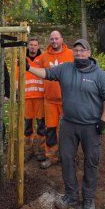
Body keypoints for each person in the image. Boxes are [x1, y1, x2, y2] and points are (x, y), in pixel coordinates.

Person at [27, 38, 105, 209]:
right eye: (76, 50)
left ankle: (88, 198)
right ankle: (71, 195)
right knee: (67, 159)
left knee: (91, 161)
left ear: (89, 53)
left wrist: (103, 120)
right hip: (68, 124)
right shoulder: (66, 68)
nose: (79, 53)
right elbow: (46, 73)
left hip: (91, 126)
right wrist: (28, 67)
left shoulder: (99, 74)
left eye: (82, 50)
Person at [39, 30, 73, 169]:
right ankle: (51, 157)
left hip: (67, 100)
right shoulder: (44, 56)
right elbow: (38, 73)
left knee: (68, 131)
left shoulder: (71, 54)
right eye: (52, 39)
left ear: (62, 39)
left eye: (56, 38)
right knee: (51, 130)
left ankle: (67, 157)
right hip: (50, 101)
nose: (54, 41)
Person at [22, 37, 46, 161]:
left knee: (41, 125)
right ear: (28, 46)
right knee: (27, 126)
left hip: (40, 97)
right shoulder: (21, 59)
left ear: (38, 46)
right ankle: (28, 150)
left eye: (35, 45)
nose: (33, 47)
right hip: (26, 98)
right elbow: (17, 77)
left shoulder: (43, 59)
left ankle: (42, 150)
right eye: (31, 45)